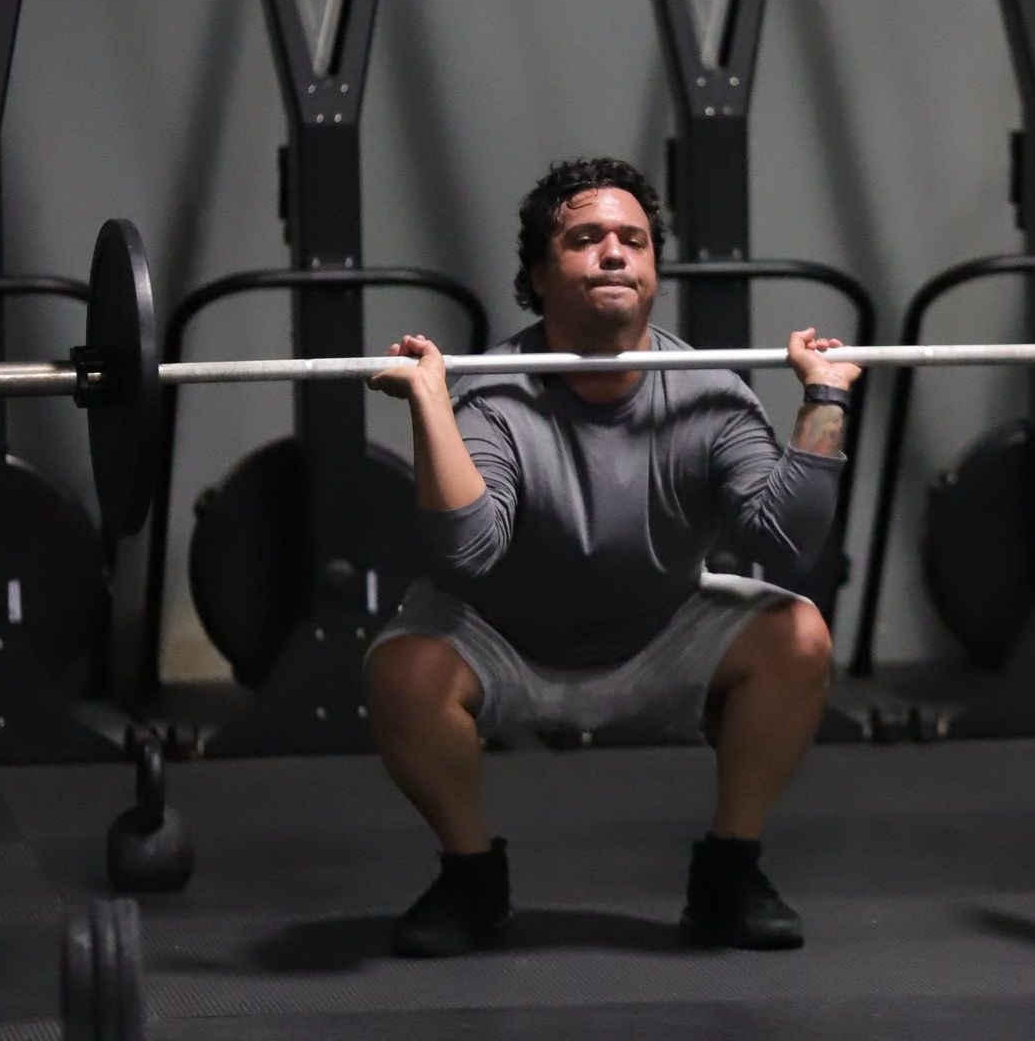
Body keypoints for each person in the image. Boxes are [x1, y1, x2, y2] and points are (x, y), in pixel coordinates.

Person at [365, 157, 859, 957]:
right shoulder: (492, 395)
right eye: (586, 238)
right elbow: (467, 551)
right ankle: (471, 878)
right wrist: (430, 405)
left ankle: (729, 872)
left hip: (658, 632)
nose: (614, 253)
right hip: (505, 639)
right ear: (538, 274)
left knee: (797, 634)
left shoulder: (709, 393)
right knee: (402, 670)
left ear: (653, 270)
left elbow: (786, 543)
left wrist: (825, 399)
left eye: (633, 239)